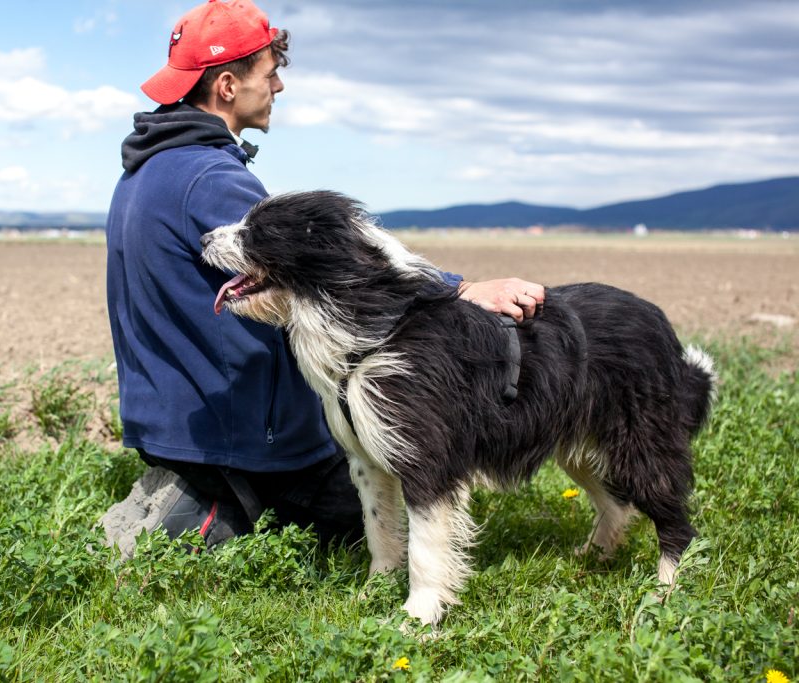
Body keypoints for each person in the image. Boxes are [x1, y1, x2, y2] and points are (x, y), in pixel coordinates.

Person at [100, 0, 545, 557]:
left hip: (176, 413)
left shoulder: (149, 168)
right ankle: (202, 512)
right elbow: (338, 265)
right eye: (270, 73)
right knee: (372, 505)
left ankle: (198, 487)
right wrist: (457, 289)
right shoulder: (211, 178)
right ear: (228, 86)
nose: (279, 86)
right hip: (236, 431)